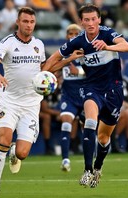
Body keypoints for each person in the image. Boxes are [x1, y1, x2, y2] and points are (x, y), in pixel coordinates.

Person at [42, 4, 128, 188]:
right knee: (90, 121)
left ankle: (98, 168)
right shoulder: (78, 41)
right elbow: (53, 59)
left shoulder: (107, 34)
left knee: (104, 138)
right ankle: (87, 170)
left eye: (93, 19)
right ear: (81, 22)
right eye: (86, 20)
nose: (90, 23)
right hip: (92, 88)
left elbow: (127, 46)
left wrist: (107, 46)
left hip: (113, 90)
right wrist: (42, 74)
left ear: (99, 19)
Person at [0, 7, 46, 198]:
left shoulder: (39, 45)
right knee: (3, 138)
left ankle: (14, 153)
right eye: (25, 21)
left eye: (32, 22)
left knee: (22, 152)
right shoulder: (7, 43)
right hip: (8, 101)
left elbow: (44, 70)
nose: (29, 25)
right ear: (18, 23)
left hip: (30, 104)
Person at [51, 23, 85, 172]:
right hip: (69, 96)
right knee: (66, 122)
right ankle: (65, 159)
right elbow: (53, 69)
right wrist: (54, 77)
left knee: (89, 127)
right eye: (70, 34)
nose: (72, 36)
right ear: (66, 36)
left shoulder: (87, 52)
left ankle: (92, 161)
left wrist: (78, 72)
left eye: (75, 33)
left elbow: (97, 73)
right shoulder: (63, 54)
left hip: (85, 96)